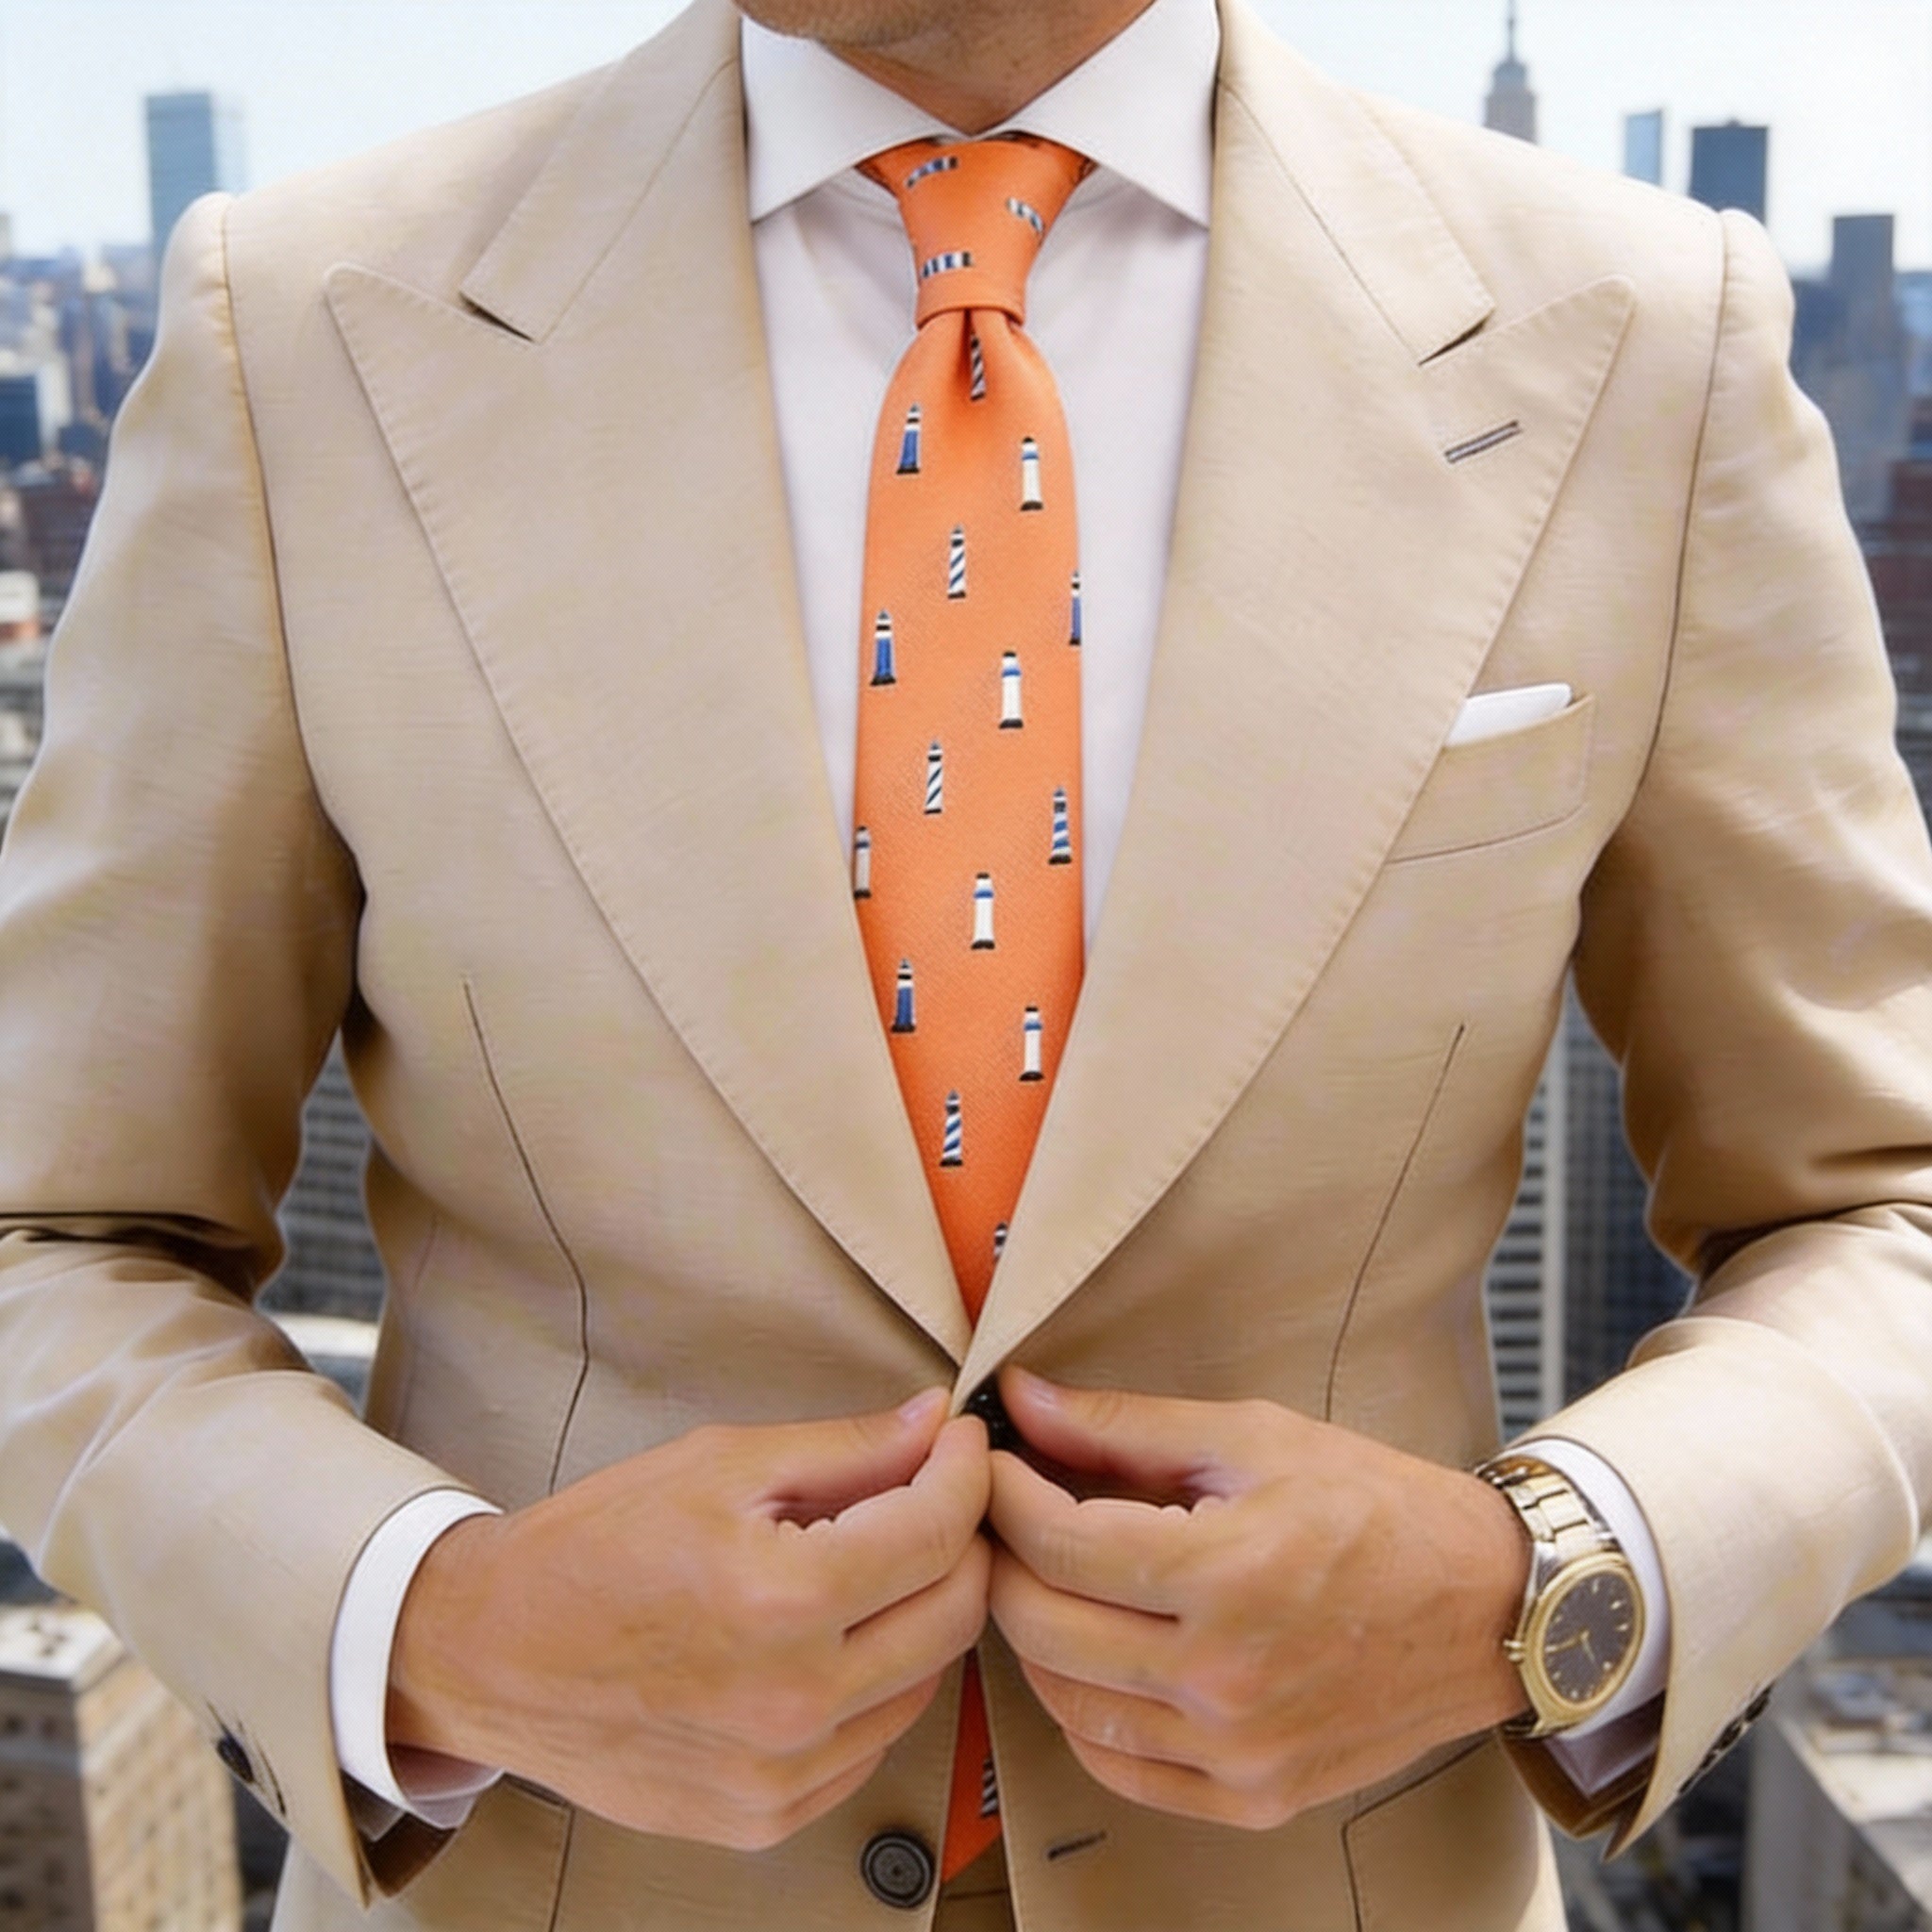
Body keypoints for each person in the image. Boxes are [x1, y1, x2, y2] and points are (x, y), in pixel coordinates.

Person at [3, 0, 1930, 1925]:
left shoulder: (1640, 337)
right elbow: (52, 1233)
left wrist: (1535, 1586)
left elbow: (1881, 1206)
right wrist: (442, 1627)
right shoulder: (302, 330)